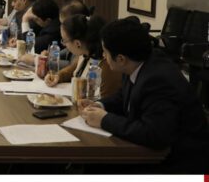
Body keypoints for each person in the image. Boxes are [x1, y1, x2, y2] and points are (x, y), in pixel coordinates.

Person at [79, 19, 209, 173]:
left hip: (178, 163)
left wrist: (104, 120)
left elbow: (153, 134)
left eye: (105, 52)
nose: (103, 56)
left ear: (121, 59)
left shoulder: (158, 80)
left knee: (96, 167)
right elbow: (124, 96)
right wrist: (100, 105)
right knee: (92, 165)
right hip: (155, 153)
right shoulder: (136, 62)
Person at [45, 15, 122, 98]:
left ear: (77, 43)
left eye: (64, 40)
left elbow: (106, 100)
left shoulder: (107, 66)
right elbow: (72, 71)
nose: (63, 44)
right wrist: (58, 76)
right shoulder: (84, 54)